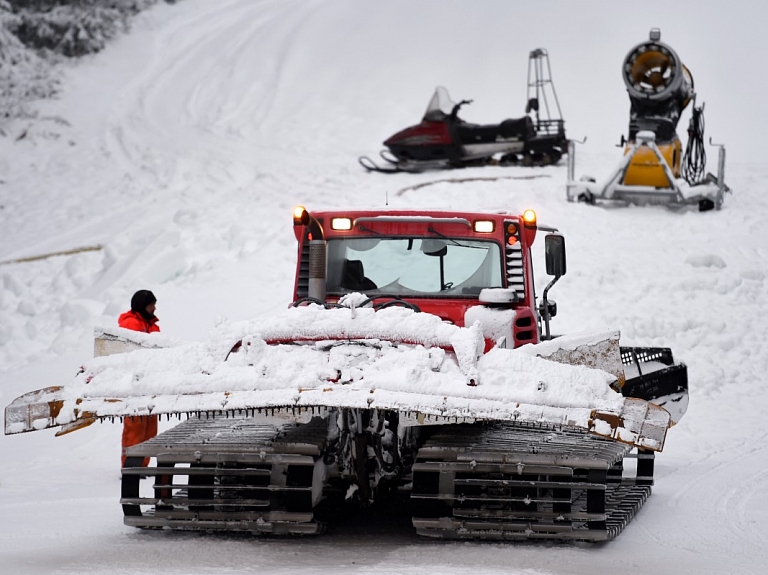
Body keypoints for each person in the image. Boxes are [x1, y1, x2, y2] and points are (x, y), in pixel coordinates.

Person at [118, 290, 159, 467]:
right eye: (151, 304)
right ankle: (130, 466)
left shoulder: (150, 324)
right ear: (143, 305)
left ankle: (142, 464)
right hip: (135, 383)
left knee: (149, 426)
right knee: (135, 426)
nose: (154, 307)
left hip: (149, 381)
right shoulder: (131, 324)